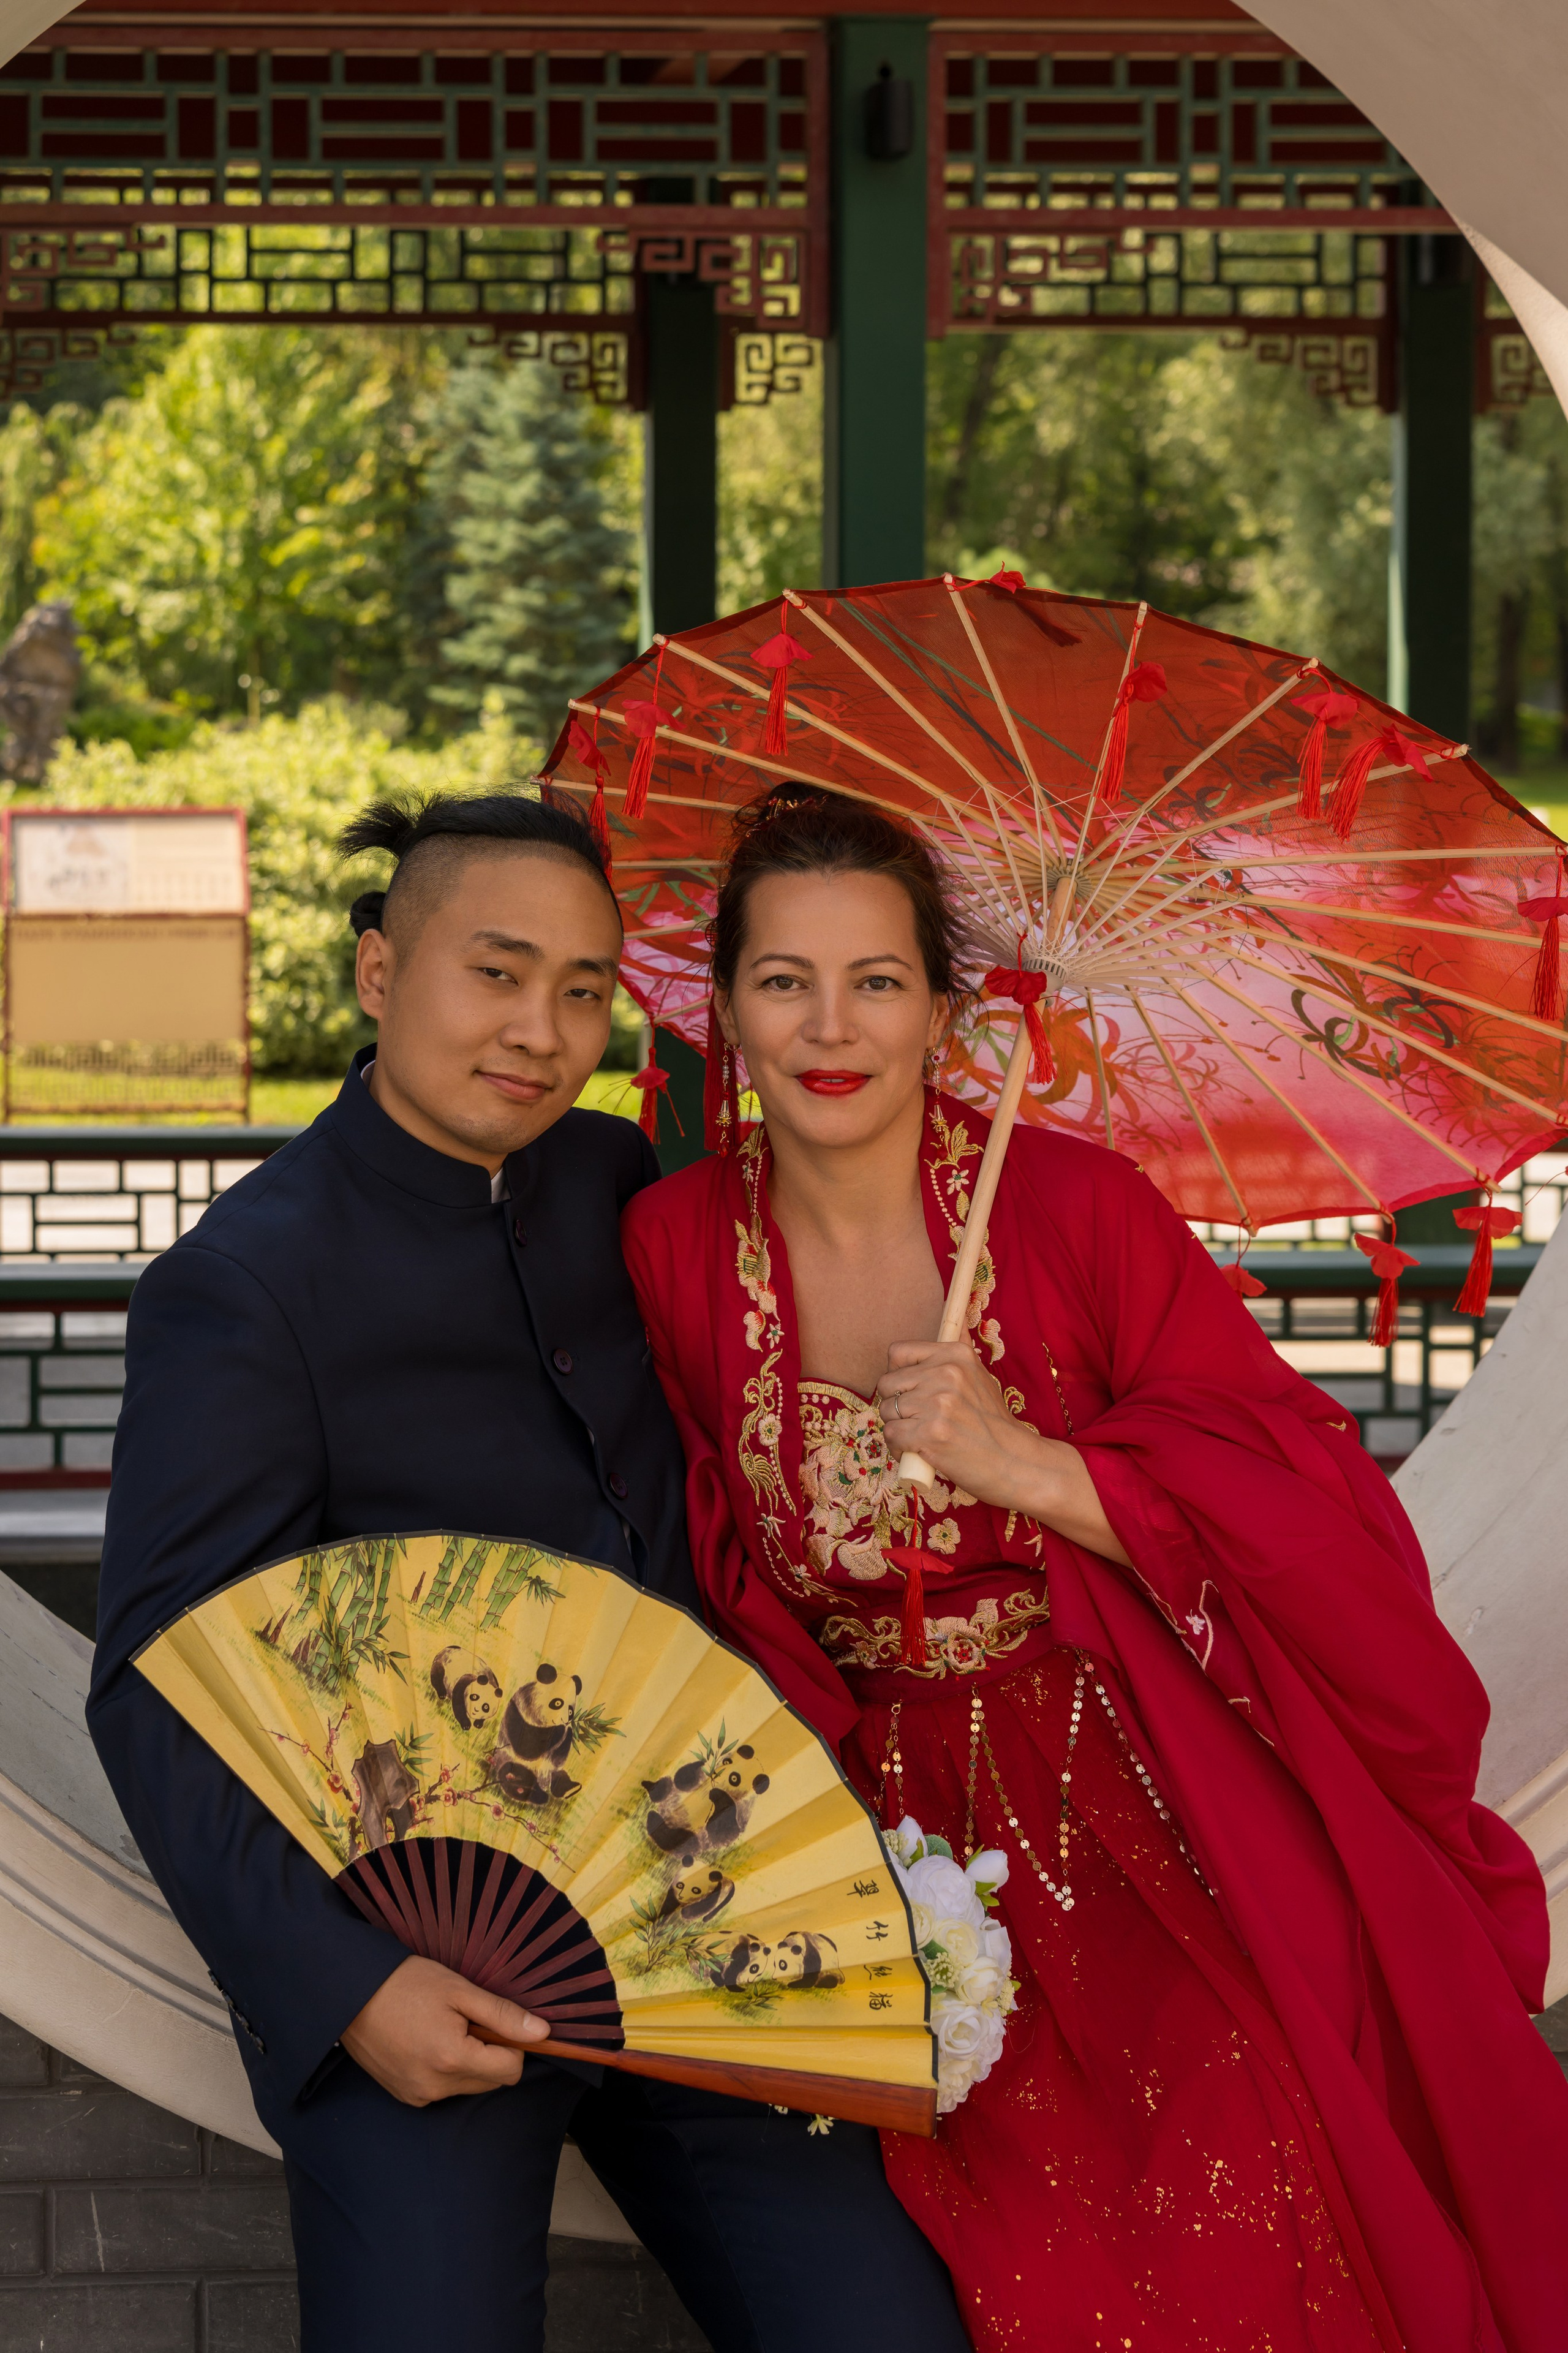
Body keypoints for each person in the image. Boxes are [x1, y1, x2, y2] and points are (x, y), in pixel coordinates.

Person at [621, 782, 1568, 2353]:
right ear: (724, 1004)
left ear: (942, 1009)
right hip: (871, 1830)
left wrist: (1034, 1468)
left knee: (1239, 2161)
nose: (827, 1025)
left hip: (1134, 1791)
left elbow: (1310, 1503)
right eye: (782, 980)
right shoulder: (665, 1245)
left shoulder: (1076, 1212)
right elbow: (697, 1561)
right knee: (1009, 2260)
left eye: (875, 980)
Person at [88, 790, 968, 2353]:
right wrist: (348, 1983)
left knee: (881, 2323)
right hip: (425, 1947)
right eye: (495, 974)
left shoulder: (613, 1179)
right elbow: (160, 1682)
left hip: (688, 1905)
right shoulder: (245, 1284)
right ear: (377, 973)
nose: (540, 1029)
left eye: (583, 988)